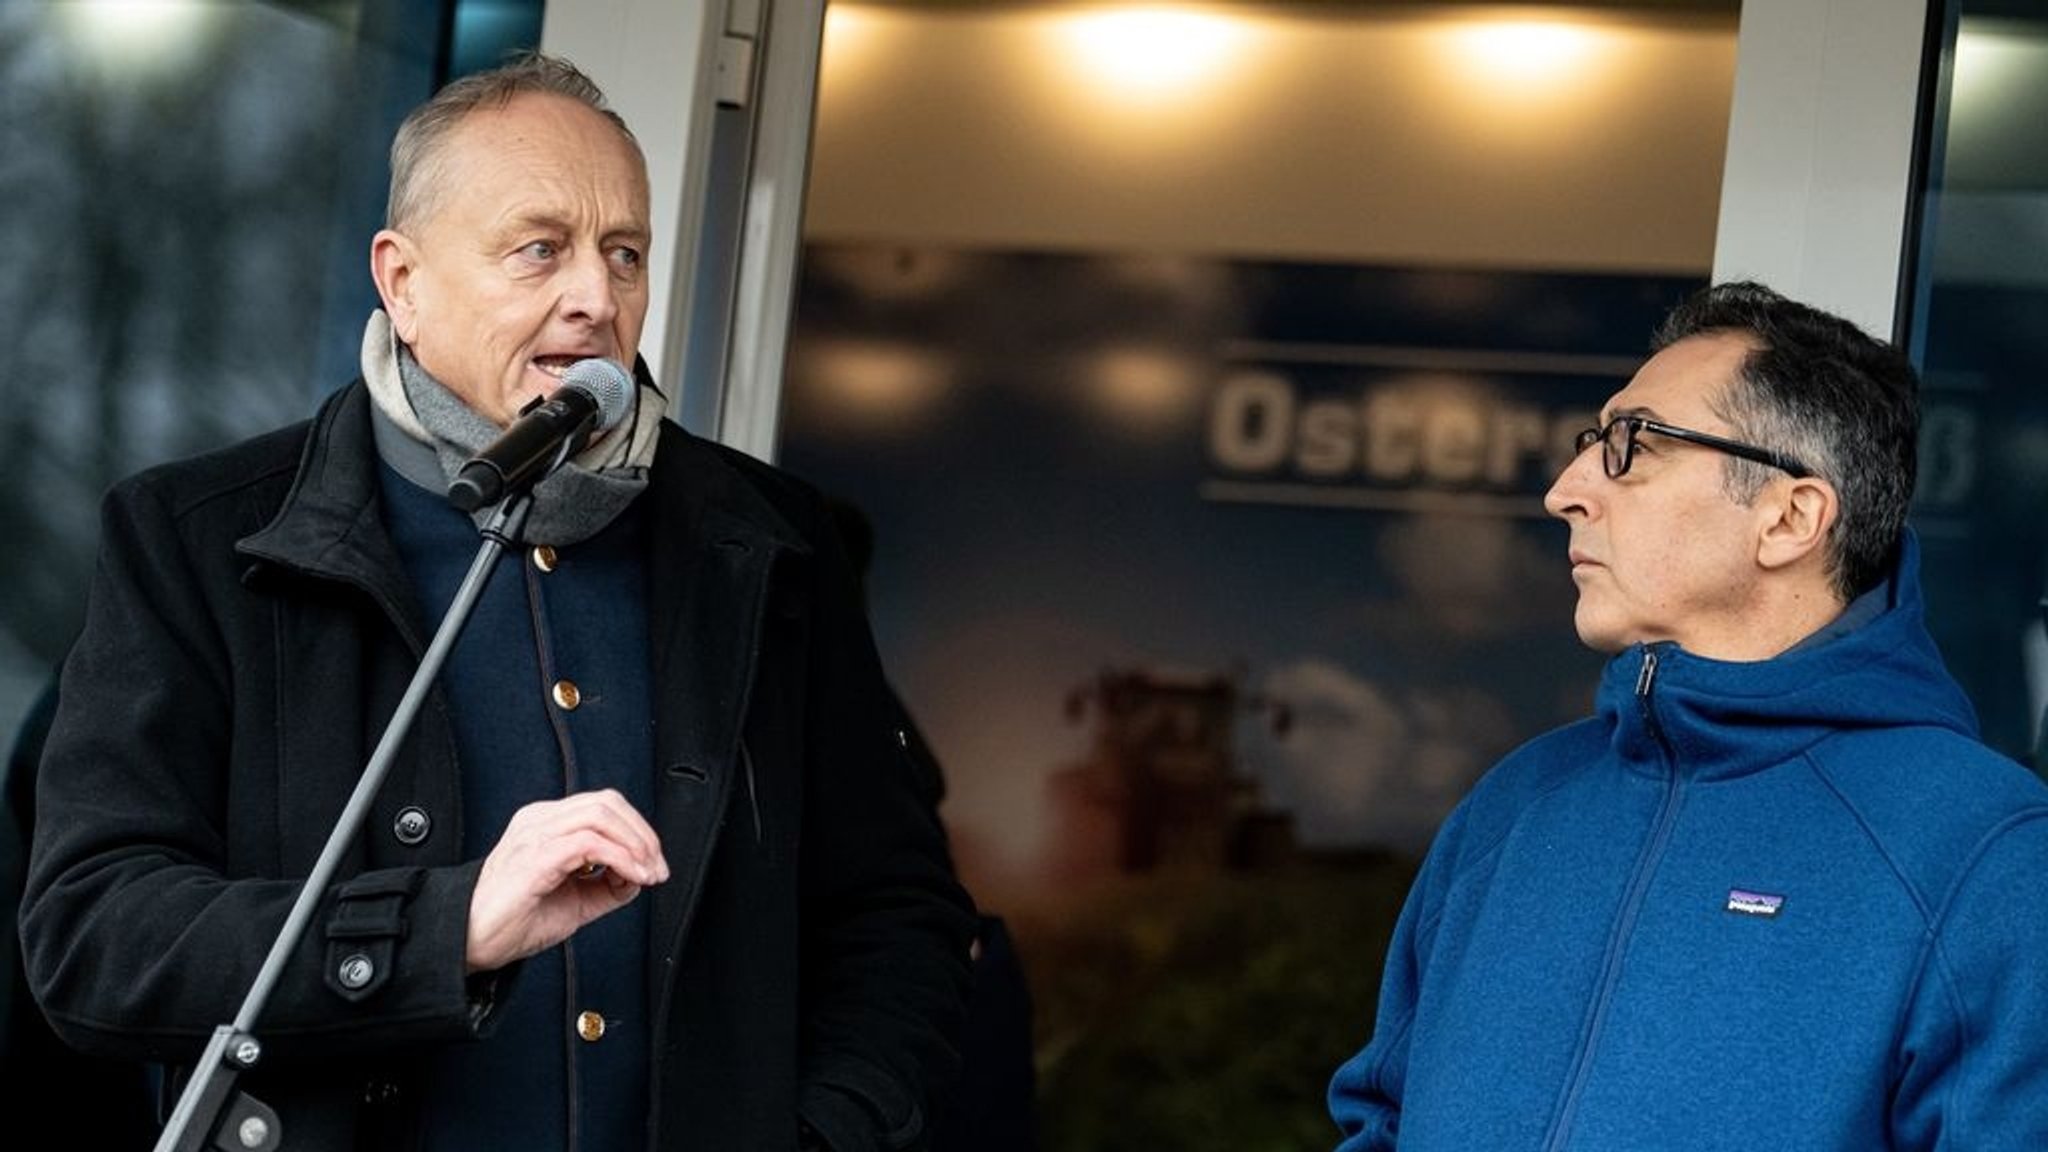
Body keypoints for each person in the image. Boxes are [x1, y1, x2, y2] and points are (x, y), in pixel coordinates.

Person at [18, 52, 975, 1152]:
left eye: (625, 253)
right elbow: (93, 936)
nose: (597, 298)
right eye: (540, 250)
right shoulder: (196, 536)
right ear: (403, 282)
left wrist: (818, 1133)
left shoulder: (769, 541)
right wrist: (444, 929)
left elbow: (898, 922)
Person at [1327, 281, 2048, 1150]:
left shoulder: (1987, 854)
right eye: (1592, 442)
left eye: (1633, 444)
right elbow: (1382, 1121)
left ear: (1788, 518)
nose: (1566, 490)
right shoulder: (1516, 807)